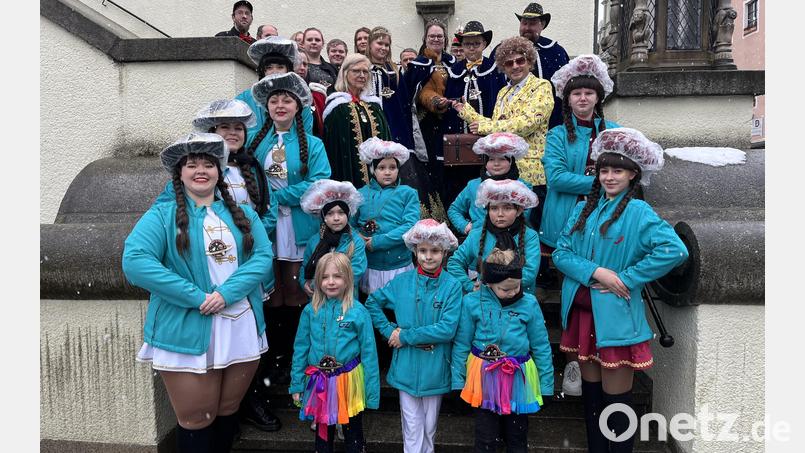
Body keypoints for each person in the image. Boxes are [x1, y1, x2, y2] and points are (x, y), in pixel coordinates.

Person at [123, 132, 273, 452]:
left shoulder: (243, 213)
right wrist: (197, 296)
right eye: (191, 165)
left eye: (208, 164)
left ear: (220, 171)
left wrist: (226, 293)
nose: (200, 170)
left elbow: (262, 256)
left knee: (227, 412)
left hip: (240, 324)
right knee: (195, 418)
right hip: (186, 328)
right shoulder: (162, 215)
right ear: (179, 173)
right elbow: (135, 261)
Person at [552, 127, 688, 453]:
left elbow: (675, 250)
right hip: (583, 314)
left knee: (617, 406)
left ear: (632, 175)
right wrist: (597, 271)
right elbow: (560, 253)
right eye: (604, 170)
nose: (609, 177)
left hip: (616, 319)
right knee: (593, 401)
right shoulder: (585, 209)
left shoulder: (637, 212)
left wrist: (626, 278)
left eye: (618, 170)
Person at [187, 100, 284, 432]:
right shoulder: (203, 171)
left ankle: (249, 396)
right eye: (224, 127)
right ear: (212, 134)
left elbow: (266, 211)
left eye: (238, 127)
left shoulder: (252, 167)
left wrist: (252, 242)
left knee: (251, 330)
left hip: (249, 264)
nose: (232, 132)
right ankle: (224, 404)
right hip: (214, 267)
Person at [541, 54, 618, 398]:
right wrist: (602, 183)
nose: (583, 99)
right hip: (565, 225)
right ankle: (573, 359)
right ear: (567, 98)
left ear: (598, 97)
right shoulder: (558, 135)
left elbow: (628, 176)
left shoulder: (613, 132)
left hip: (603, 224)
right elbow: (556, 178)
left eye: (589, 93)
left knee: (598, 293)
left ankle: (601, 353)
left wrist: (602, 183)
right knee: (572, 296)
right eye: (576, 94)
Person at [365, 219, 463, 453]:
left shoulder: (452, 286)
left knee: (429, 427)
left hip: (435, 367)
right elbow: (372, 302)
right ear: (415, 251)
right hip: (406, 366)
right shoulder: (402, 282)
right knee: (411, 426)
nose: (428, 257)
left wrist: (406, 336)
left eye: (435, 251)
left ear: (445, 252)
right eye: (423, 251)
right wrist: (389, 330)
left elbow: (447, 329)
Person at [451, 247, 554, 452]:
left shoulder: (529, 304)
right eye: (505, 289)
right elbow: (462, 344)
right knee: (485, 437)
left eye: (516, 287)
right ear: (489, 283)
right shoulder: (472, 302)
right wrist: (457, 382)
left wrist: (547, 386)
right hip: (484, 379)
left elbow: (541, 346)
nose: (513, 292)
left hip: (517, 378)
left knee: (517, 436)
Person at [453, 36, 553, 245]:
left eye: (520, 60)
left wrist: (485, 126)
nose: (515, 66)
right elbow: (497, 130)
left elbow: (526, 124)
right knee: (502, 236)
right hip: (506, 173)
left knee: (526, 235)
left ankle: (525, 276)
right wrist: (468, 114)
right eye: (509, 63)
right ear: (503, 67)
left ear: (530, 61)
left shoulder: (542, 86)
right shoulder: (503, 92)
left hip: (530, 175)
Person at [290, 252, 380, 453]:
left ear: (348, 278)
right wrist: (296, 383)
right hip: (319, 381)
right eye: (324, 277)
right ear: (317, 280)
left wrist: (371, 393)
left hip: (349, 382)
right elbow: (301, 349)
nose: (330, 282)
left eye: (337, 276)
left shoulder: (358, 311)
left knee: (353, 434)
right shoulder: (309, 311)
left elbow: (369, 354)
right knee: (323, 436)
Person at [366, 26, 443, 219]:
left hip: (397, 134)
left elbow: (408, 97)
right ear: (369, 44)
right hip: (371, 134)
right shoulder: (362, 69)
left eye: (387, 44)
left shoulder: (394, 71)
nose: (383, 48)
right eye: (379, 43)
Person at [442, 21, 507, 203]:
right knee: (460, 185)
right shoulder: (454, 72)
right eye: (467, 44)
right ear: (461, 46)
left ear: (484, 45)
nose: (471, 48)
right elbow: (449, 106)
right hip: (460, 143)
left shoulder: (494, 70)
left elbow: (500, 104)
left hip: (487, 138)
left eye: (476, 43)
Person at [447, 179, 541, 298]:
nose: (500, 214)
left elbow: (529, 272)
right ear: (487, 210)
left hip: (519, 300)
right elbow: (454, 262)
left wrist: (497, 286)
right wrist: (469, 285)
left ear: (519, 210)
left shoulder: (530, 236)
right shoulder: (477, 235)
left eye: (507, 208)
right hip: (484, 301)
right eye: (494, 208)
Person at [352, 138, 421, 296]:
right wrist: (359, 239)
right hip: (370, 263)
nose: (388, 172)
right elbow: (350, 225)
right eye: (382, 167)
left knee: (398, 304)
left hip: (398, 262)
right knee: (372, 303)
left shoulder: (408, 193)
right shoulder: (360, 194)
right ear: (372, 170)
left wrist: (378, 241)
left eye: (392, 167)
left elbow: (410, 225)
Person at [403, 19, 457, 215]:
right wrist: (435, 102)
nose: (436, 39)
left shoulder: (453, 63)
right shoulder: (418, 65)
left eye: (439, 36)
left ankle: (453, 213)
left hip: (451, 122)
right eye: (432, 36)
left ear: (445, 39)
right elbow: (419, 93)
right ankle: (437, 216)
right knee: (433, 168)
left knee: (452, 169)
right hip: (428, 124)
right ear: (425, 39)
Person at [491, 2, 570, 130]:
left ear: (542, 25)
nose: (527, 28)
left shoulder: (556, 52)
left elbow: (565, 90)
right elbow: (494, 87)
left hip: (552, 123)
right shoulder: (503, 51)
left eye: (532, 23)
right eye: (524, 23)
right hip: (512, 126)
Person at [322, 53, 391, 187]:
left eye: (365, 71)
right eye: (356, 71)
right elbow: (335, 148)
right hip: (348, 173)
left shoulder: (374, 105)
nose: (362, 75)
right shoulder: (337, 107)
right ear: (345, 73)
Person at [448, 132, 533, 236]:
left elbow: (525, 215)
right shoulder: (473, 186)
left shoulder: (522, 186)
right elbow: (454, 209)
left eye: (502, 159)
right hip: (479, 241)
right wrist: (465, 226)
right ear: (486, 163)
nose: (496, 164)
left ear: (511, 161)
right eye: (491, 159)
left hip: (513, 239)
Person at [299, 179, 367, 297]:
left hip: (346, 300)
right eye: (330, 213)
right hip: (319, 301)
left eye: (341, 212)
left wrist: (319, 285)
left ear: (348, 215)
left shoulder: (355, 242)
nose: (336, 218)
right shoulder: (314, 241)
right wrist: (304, 282)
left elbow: (356, 271)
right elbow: (305, 266)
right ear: (323, 217)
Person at [238, 37, 315, 138]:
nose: (274, 72)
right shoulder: (245, 98)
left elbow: (307, 137)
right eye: (269, 68)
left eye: (280, 67)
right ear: (262, 71)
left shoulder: (300, 99)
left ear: (288, 69)